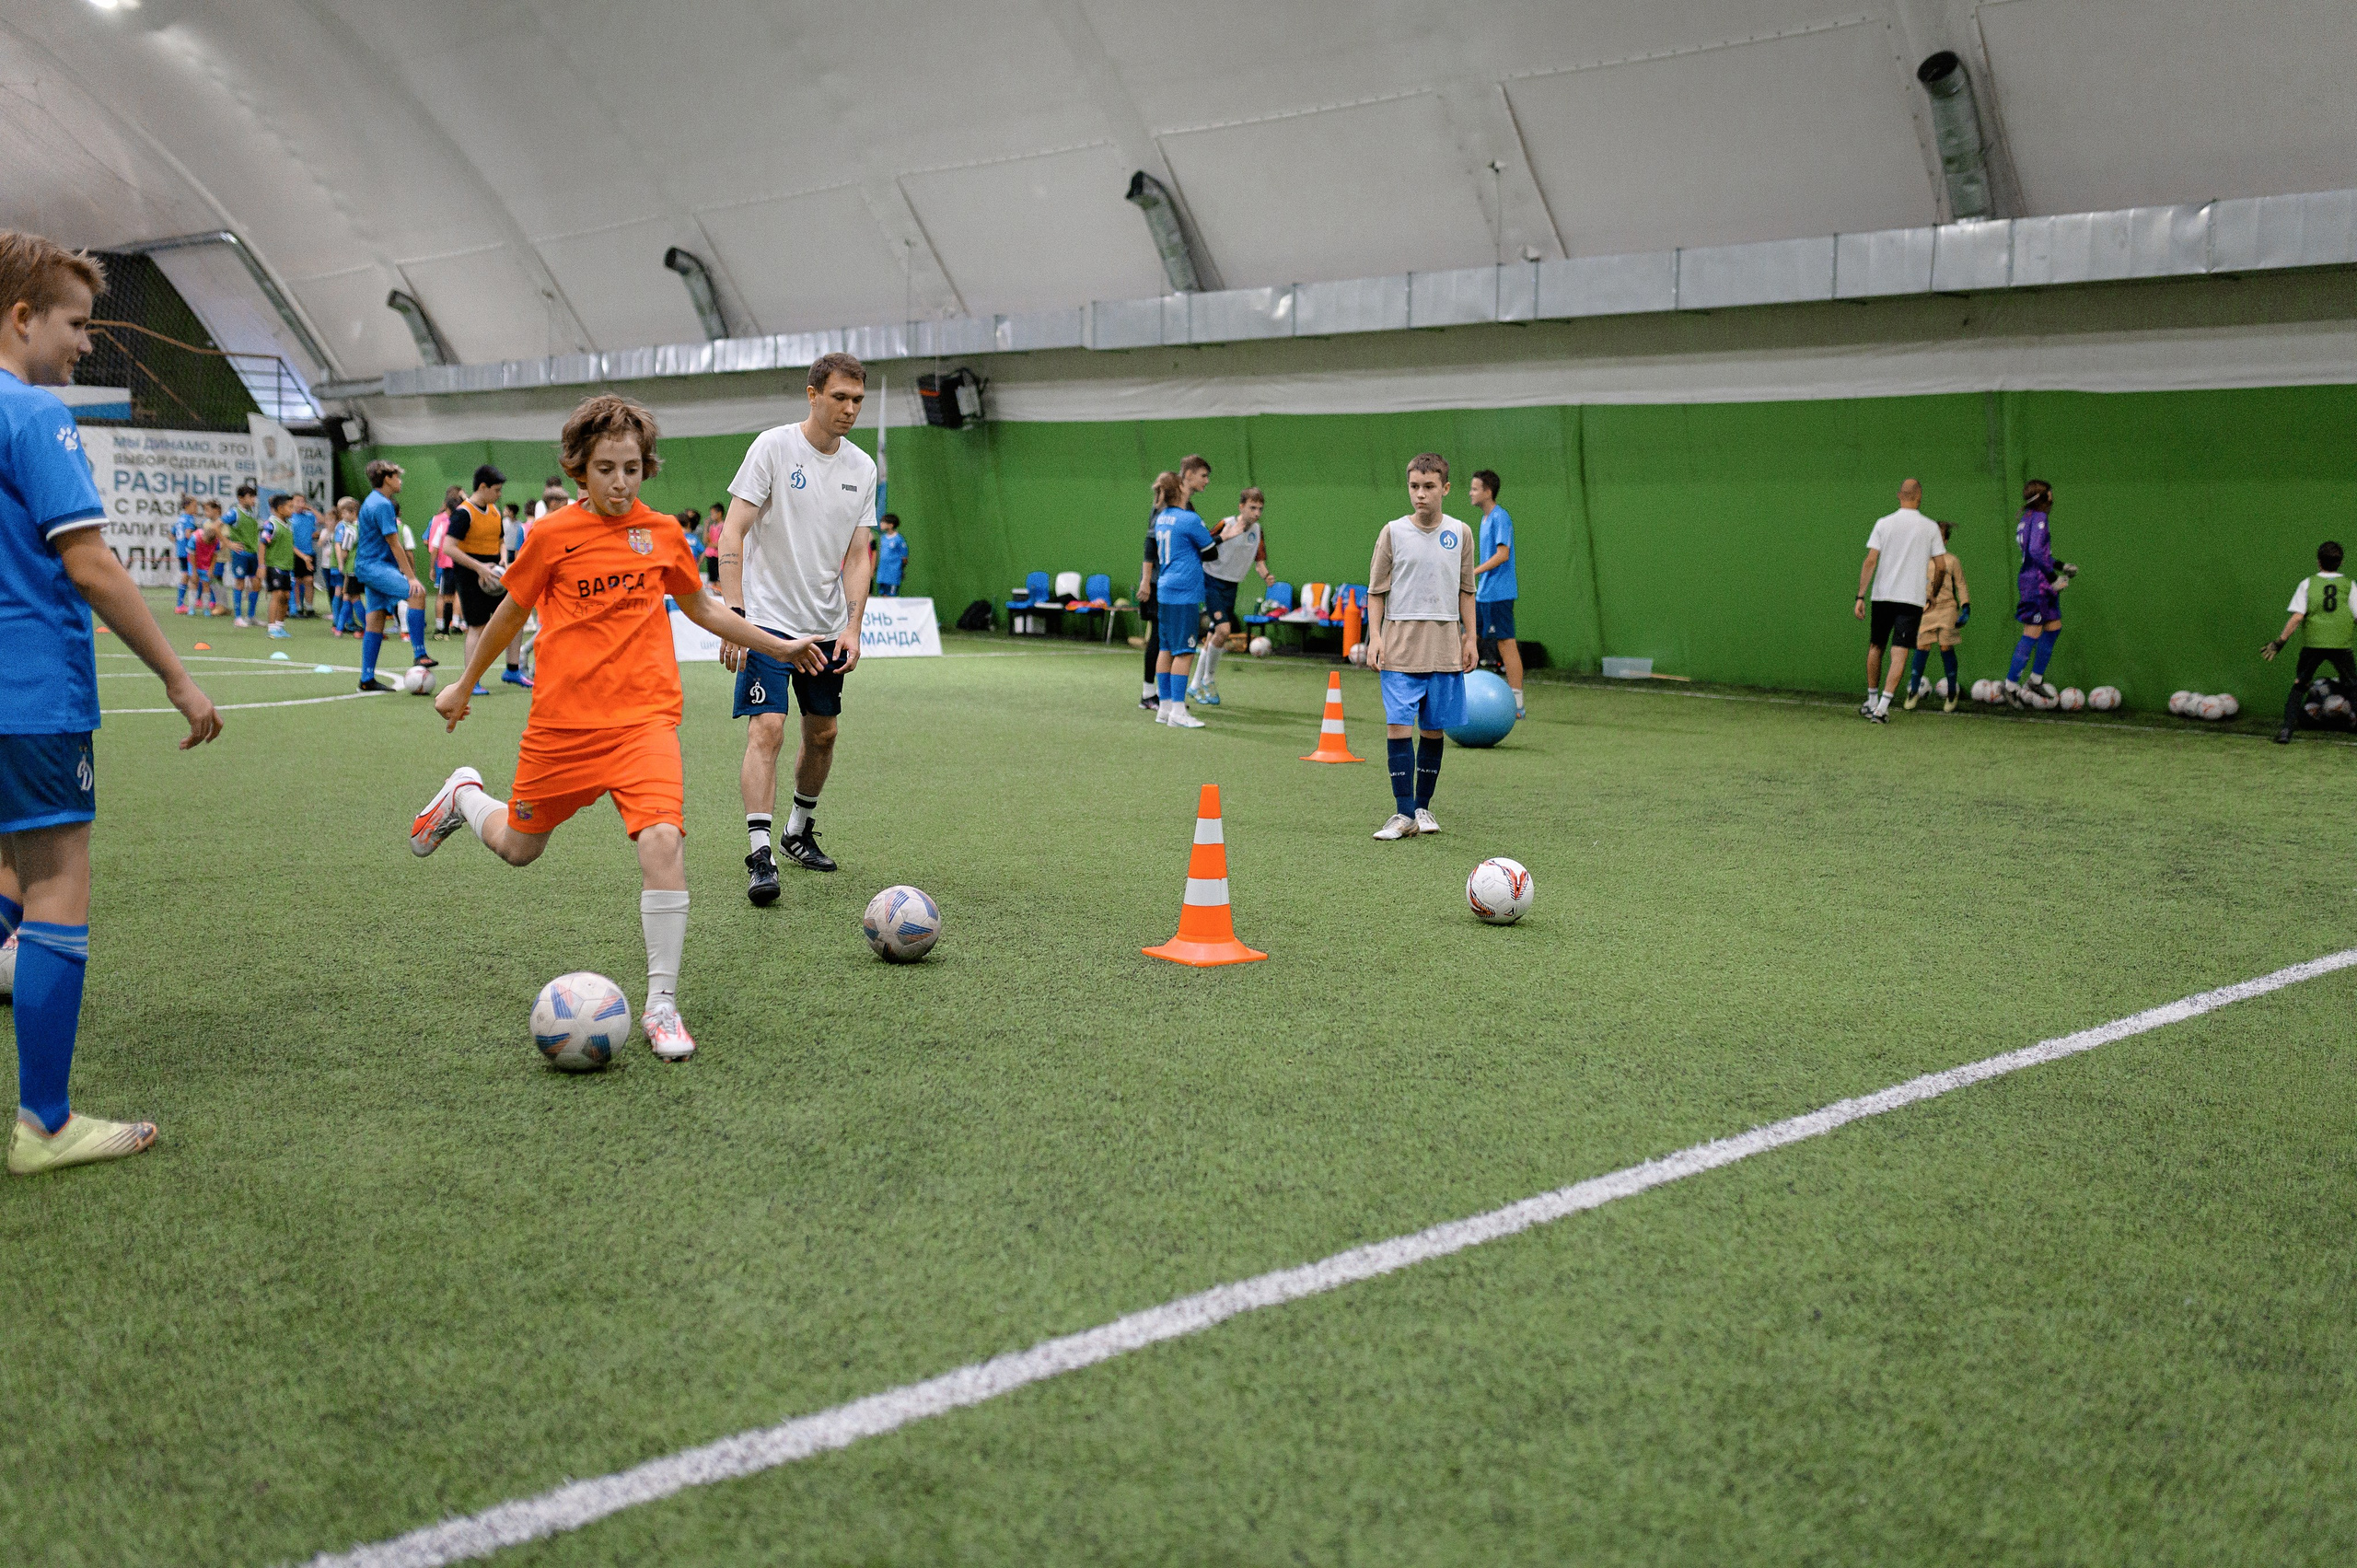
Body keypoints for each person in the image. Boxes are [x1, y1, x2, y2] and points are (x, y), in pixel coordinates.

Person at [411, 394, 823, 1062]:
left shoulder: (662, 534)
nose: (620, 482)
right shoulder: (551, 536)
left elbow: (704, 609)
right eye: (606, 469)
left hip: (644, 723)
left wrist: (778, 646)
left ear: (646, 467)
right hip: (563, 727)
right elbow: (511, 613)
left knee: (663, 839)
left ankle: (663, 1005)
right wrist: (463, 684)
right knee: (519, 848)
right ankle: (464, 795)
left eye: (632, 468)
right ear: (579, 467)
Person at [0, 230, 222, 1175]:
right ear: (22, 317)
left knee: (11, 865)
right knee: (56, 883)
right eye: (77, 324)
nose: (87, 344)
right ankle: (45, 1123)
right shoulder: (33, 415)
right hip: (30, 692)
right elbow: (90, 562)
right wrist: (178, 675)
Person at [718, 351, 877, 898]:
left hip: (825, 626)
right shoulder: (773, 447)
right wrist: (735, 616)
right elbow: (732, 532)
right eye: (840, 397)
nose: (850, 409)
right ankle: (760, 853)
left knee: (823, 734)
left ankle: (797, 831)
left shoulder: (863, 468)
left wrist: (852, 628)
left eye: (858, 400)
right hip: (767, 623)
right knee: (768, 729)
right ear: (813, 395)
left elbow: (858, 555)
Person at [1366, 454, 1477, 839]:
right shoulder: (1392, 532)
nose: (1420, 494)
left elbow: (1467, 590)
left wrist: (1470, 637)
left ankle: (1422, 808)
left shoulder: (1461, 532)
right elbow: (1376, 591)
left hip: (1444, 648)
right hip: (1399, 647)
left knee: (1432, 729)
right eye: (1414, 486)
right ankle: (1402, 814)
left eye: (1429, 487)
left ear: (1445, 488)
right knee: (1398, 725)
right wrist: (1375, 636)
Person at [1852, 478, 1944, 724]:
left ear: (1898, 495)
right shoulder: (1930, 527)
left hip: (1882, 596)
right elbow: (1941, 565)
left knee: (1876, 646)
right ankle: (1881, 708)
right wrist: (1933, 593)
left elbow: (1870, 560)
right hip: (1911, 600)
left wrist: (1860, 595)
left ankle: (1872, 701)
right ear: (1919, 497)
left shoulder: (1883, 523)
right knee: (1899, 652)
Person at [2263, 540, 2357, 744]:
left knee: (2300, 685)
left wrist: (2280, 642)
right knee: (2352, 686)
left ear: (2318, 562)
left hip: (2313, 644)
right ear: (2341, 562)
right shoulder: (2349, 586)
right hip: (2341, 644)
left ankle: (2286, 731)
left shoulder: (2307, 584)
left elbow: (2297, 617)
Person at [1137, 454, 1211, 710]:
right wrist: (1146, 581)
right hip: (1163, 582)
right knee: (1162, 639)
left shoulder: (1187, 508)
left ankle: (1165, 697)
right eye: (1203, 476)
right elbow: (1150, 545)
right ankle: (1150, 694)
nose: (1207, 481)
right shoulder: (1166, 506)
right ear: (1187, 475)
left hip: (1172, 581)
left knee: (1167, 642)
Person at [352, 459, 430, 691]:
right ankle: (420, 654)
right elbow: (395, 543)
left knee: (375, 619)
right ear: (387, 479)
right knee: (417, 594)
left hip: (369, 566)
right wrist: (411, 577)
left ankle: (366, 679)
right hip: (375, 567)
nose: (400, 481)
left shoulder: (373, 501)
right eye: (397, 476)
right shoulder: (383, 504)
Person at [1189, 488, 1271, 705]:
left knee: (1214, 636)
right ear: (1241, 507)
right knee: (1224, 630)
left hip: (1232, 585)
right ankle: (1209, 679)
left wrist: (1266, 576)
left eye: (1260, 509)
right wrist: (1225, 536)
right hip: (1211, 581)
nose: (1257, 513)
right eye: (1252, 508)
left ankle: (1195, 685)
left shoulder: (1258, 531)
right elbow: (1204, 546)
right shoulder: (1225, 524)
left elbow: (1260, 562)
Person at [445, 464, 519, 696]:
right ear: (483, 487)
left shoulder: (494, 511)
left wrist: (504, 559)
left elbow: (500, 542)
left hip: (495, 573)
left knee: (514, 617)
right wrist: (479, 568)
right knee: (477, 627)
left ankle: (513, 670)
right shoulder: (463, 514)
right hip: (470, 575)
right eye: (497, 490)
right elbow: (448, 547)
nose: (499, 495)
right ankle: (471, 682)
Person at [2005, 479, 2074, 705]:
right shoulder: (2040, 518)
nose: (2053, 497)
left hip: (2038, 580)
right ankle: (2010, 685)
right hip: (2036, 584)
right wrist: (2053, 579)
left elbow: (2039, 553)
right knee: (2032, 631)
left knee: (2053, 626)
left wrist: (2061, 565)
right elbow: (2035, 551)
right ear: (2045, 497)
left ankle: (2035, 680)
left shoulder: (2027, 519)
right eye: (2051, 493)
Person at [1469, 469, 1523, 718]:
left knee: (1506, 643)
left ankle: (1517, 704)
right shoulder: (1485, 519)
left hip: (1500, 594)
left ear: (1488, 492)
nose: (1470, 493)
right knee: (1468, 637)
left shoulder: (1501, 517)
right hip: (1484, 593)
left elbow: (1503, 554)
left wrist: (1473, 571)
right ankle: (1456, 692)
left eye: (1475, 489)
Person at [1904, 521, 1971, 712]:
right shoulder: (1920, 560)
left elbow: (1961, 584)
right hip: (1927, 610)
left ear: (1946, 541)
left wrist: (1966, 607)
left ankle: (1951, 693)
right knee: (1922, 647)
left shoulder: (1952, 561)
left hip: (1947, 608)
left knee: (1945, 646)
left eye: (1940, 538)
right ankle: (1913, 691)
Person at [259, 489, 297, 638]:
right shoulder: (271, 525)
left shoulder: (289, 525)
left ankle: (280, 626)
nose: (293, 510)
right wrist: (262, 566)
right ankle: (271, 627)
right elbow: (262, 544)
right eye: (290, 507)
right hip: (274, 566)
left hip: (287, 567)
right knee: (277, 594)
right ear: (280, 508)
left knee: (286, 596)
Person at [224, 481, 261, 627]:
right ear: (241, 498)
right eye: (250, 497)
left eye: (254, 497)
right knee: (240, 583)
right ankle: (238, 617)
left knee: (256, 583)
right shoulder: (234, 512)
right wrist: (228, 543)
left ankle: (251, 616)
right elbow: (216, 526)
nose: (253, 500)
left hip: (253, 553)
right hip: (241, 554)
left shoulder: (252, 513)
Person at [428, 486, 463, 637]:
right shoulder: (463, 523)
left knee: (444, 596)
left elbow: (434, 547)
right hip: (461, 564)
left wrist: (432, 567)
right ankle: (456, 624)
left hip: (447, 566)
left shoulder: (441, 523)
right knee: (458, 594)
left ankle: (442, 628)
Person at [287, 491, 319, 619]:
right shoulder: (290, 518)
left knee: (309, 580)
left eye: (303, 501)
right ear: (292, 502)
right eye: (298, 501)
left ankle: (309, 608)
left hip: (309, 553)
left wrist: (310, 508)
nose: (301, 504)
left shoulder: (309, 516)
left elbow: (322, 520)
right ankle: (298, 608)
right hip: (295, 554)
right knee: (297, 581)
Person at [171, 495, 198, 613]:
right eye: (194, 506)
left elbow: (171, 535)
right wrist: (199, 536)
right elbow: (188, 534)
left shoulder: (180, 519)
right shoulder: (189, 519)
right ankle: (181, 604)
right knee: (190, 575)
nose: (196, 508)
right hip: (188, 552)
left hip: (181, 551)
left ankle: (183, 603)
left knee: (186, 575)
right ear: (187, 506)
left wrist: (179, 544)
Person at [875, 512, 908, 597]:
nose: (881, 524)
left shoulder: (899, 539)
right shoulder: (883, 538)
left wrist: (900, 570)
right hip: (882, 573)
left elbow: (904, 558)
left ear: (891, 525)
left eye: (883, 522)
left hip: (893, 574)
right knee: (883, 596)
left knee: (891, 598)